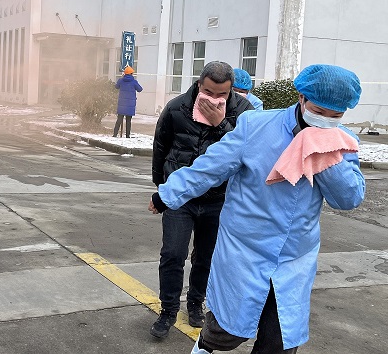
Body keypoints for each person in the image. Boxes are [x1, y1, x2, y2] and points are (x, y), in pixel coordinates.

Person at [149, 64, 365, 353]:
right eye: (319, 111)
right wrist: (166, 195)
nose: (325, 120)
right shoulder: (256, 126)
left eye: (335, 116)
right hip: (245, 250)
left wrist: (324, 153)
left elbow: (348, 198)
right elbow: (210, 167)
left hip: (294, 256)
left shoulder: (342, 143)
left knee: (280, 341)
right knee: (226, 332)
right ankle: (204, 346)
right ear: (301, 98)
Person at [150, 61, 253, 338]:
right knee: (172, 254)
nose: (214, 99)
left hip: (219, 199)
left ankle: (196, 302)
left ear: (231, 90)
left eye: (222, 94)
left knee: (206, 257)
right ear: (199, 84)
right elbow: (161, 146)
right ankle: (168, 310)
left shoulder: (244, 113)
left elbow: (248, 152)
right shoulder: (177, 108)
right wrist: (163, 189)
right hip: (181, 197)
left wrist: (221, 124)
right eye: (208, 92)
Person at [113, 66, 143, 138]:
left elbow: (116, 87)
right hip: (130, 104)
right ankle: (127, 135)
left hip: (122, 103)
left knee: (119, 120)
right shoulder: (134, 82)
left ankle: (115, 134)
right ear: (131, 74)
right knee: (128, 121)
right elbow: (140, 89)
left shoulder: (121, 80)